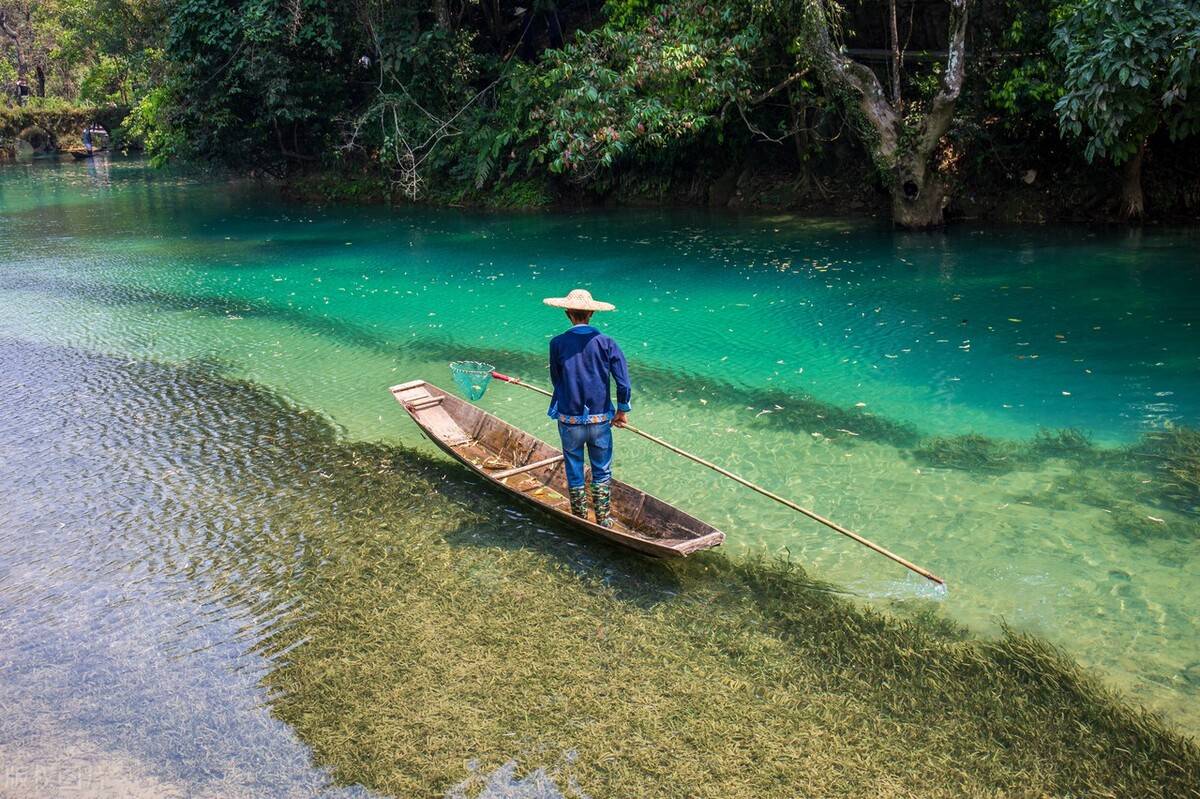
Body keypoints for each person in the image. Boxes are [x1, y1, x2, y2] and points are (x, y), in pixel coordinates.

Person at [543, 288, 631, 527]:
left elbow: (556, 379)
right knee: (601, 470)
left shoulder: (557, 343)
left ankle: (580, 518)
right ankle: (603, 520)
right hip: (600, 421)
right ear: (591, 313)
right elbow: (623, 382)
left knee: (574, 468)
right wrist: (622, 412)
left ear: (567, 314)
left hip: (569, 421)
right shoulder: (607, 343)